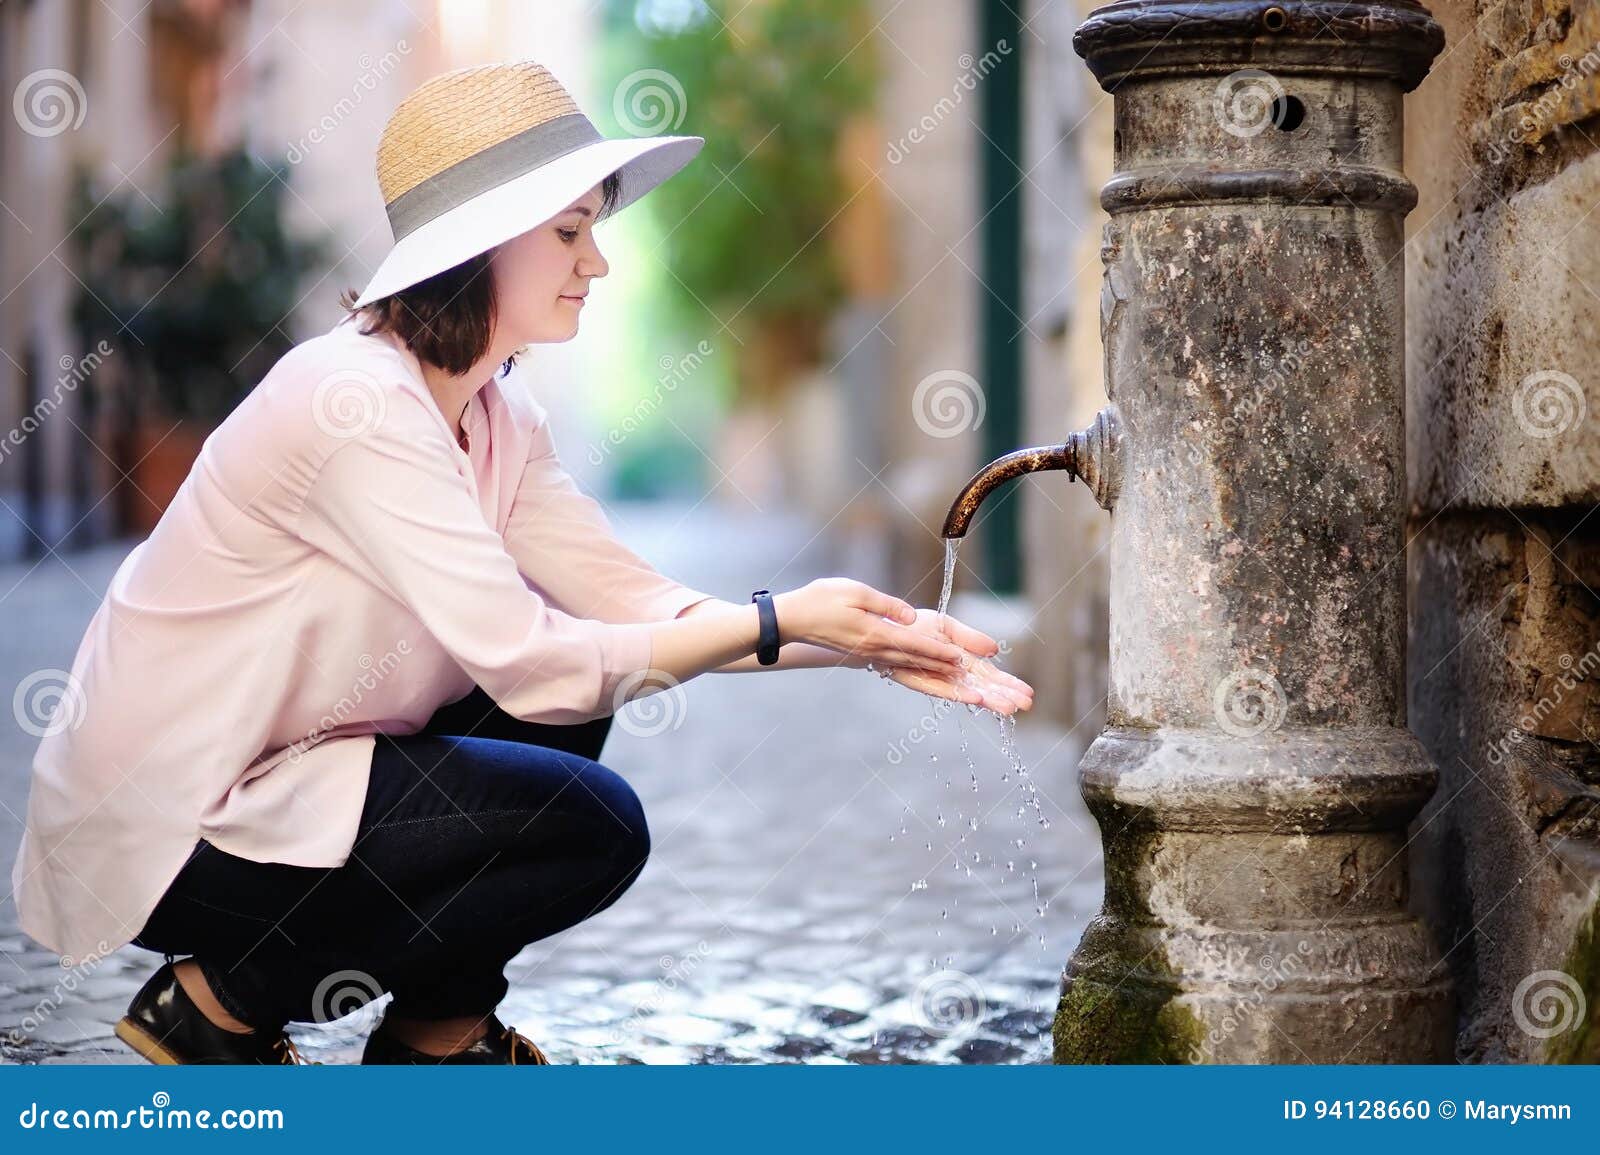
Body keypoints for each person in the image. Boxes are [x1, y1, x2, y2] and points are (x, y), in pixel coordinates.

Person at [10, 60, 1032, 1066]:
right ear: (486, 247)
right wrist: (779, 619)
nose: (597, 263)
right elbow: (527, 660)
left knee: (583, 701)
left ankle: (432, 1043)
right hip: (177, 825)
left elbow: (642, 606)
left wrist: (865, 642)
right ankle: (221, 1004)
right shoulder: (351, 401)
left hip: (290, 778)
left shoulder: (497, 415)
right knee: (592, 823)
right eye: (570, 232)